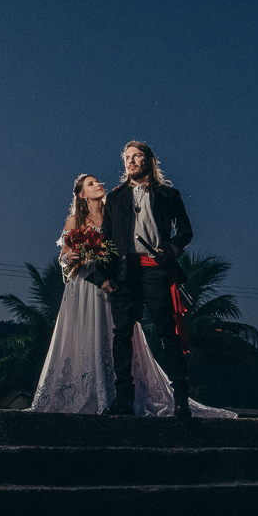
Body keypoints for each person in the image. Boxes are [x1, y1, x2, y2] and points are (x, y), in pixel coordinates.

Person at [29, 173, 175, 416]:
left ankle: (121, 393)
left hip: (114, 283)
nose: (98, 185)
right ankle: (89, 390)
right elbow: (63, 257)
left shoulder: (115, 215)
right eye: (90, 183)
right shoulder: (74, 221)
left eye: (97, 182)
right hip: (84, 286)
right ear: (81, 194)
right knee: (85, 335)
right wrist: (70, 257)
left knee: (117, 334)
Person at [100, 141, 195, 417]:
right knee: (121, 334)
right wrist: (105, 275)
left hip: (155, 269)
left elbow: (186, 232)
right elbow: (105, 239)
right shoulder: (115, 197)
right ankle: (123, 400)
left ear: (149, 160)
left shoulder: (168, 194)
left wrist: (170, 250)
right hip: (124, 273)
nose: (130, 161)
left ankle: (181, 400)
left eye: (136, 156)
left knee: (167, 331)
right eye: (126, 157)